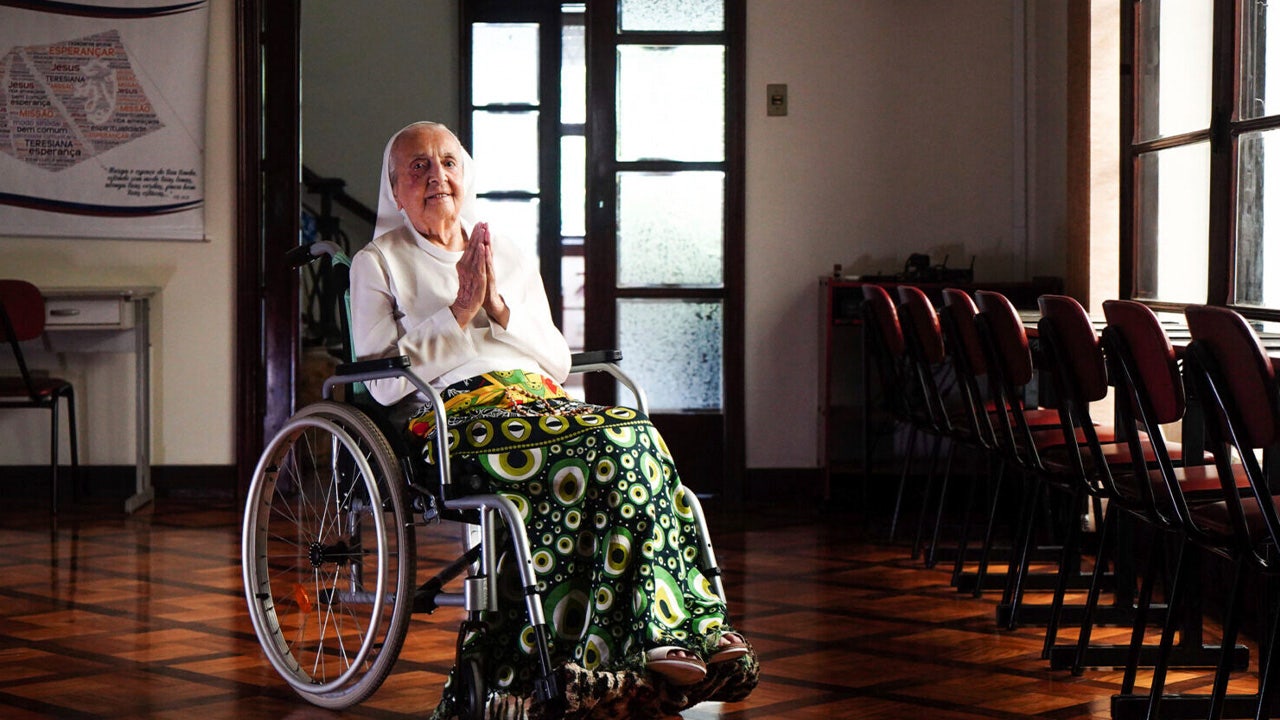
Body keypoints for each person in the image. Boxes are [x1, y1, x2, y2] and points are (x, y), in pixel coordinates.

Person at [350, 121, 757, 719]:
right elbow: (383, 383)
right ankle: (643, 636)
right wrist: (459, 312)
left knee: (631, 434)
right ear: (393, 187)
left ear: (466, 174)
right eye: (418, 167)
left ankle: (671, 631)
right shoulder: (377, 263)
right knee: (603, 445)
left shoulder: (505, 251)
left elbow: (558, 358)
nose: (436, 175)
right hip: (456, 417)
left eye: (448, 162)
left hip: (539, 403)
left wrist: (498, 308)